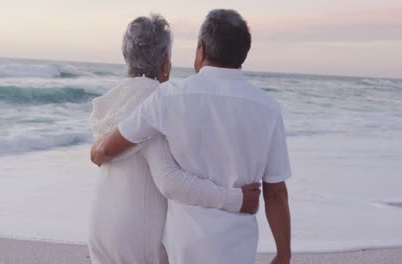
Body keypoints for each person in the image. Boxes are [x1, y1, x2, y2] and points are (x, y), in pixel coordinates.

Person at [91, 9, 292, 264]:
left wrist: (97, 151)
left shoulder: (170, 98)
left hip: (184, 245)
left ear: (200, 49)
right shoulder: (268, 108)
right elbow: (276, 193)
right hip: (237, 246)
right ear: (244, 53)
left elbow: (111, 147)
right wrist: (283, 254)